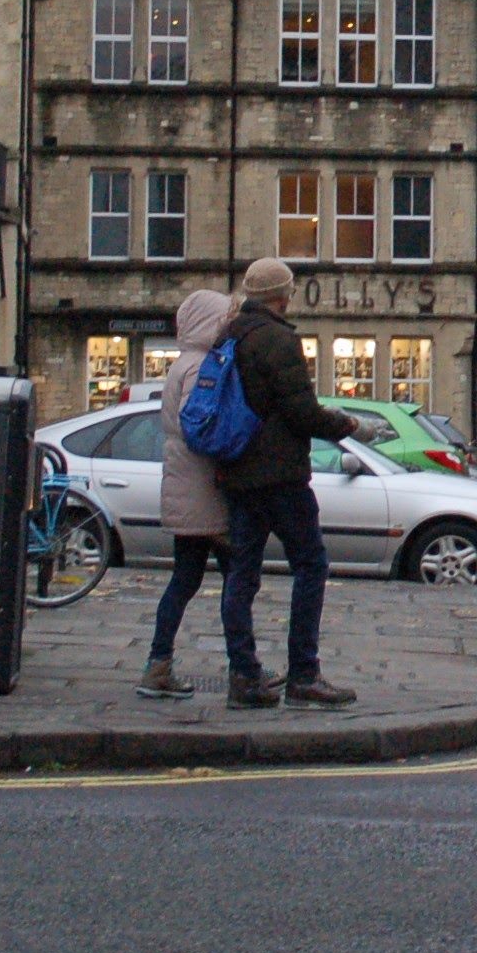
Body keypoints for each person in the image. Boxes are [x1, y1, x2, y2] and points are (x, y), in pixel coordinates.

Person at [210, 259, 361, 710]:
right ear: (282, 295)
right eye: (290, 291)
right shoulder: (279, 339)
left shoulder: (229, 334)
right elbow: (301, 412)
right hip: (280, 476)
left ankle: (243, 675)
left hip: (238, 472)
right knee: (311, 565)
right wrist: (346, 425)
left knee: (242, 574)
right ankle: (304, 674)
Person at [139, 288, 237, 701]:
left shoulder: (183, 363)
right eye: (224, 317)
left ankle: (158, 664)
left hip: (186, 484)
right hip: (204, 488)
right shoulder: (201, 367)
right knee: (235, 580)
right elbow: (200, 426)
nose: (229, 324)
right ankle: (243, 668)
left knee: (186, 579)